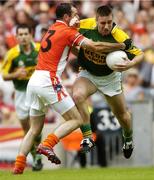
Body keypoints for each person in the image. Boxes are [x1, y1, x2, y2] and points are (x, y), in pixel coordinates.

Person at [13, 3, 130, 174]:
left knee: (34, 129)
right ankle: (47, 144)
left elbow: (75, 51)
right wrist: (120, 46)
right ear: (67, 17)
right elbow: (94, 46)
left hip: (35, 80)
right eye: (75, 14)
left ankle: (18, 166)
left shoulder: (53, 28)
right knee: (75, 119)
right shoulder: (68, 31)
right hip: (48, 80)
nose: (78, 17)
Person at [72, 5, 144, 158]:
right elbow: (67, 37)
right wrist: (77, 53)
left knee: (122, 115)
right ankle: (88, 137)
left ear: (113, 20)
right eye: (102, 23)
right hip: (88, 74)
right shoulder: (83, 25)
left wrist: (130, 64)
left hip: (110, 78)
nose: (106, 26)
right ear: (96, 20)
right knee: (77, 95)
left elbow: (140, 54)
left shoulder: (120, 36)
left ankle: (128, 139)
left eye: (109, 22)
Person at [1, 24, 43, 171]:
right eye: (21, 35)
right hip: (20, 93)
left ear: (31, 35)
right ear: (17, 37)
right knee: (26, 128)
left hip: (37, 92)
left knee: (35, 126)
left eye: (26, 34)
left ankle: (38, 157)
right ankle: (35, 154)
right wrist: (16, 74)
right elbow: (4, 75)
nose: (23, 37)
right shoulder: (12, 54)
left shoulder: (40, 49)